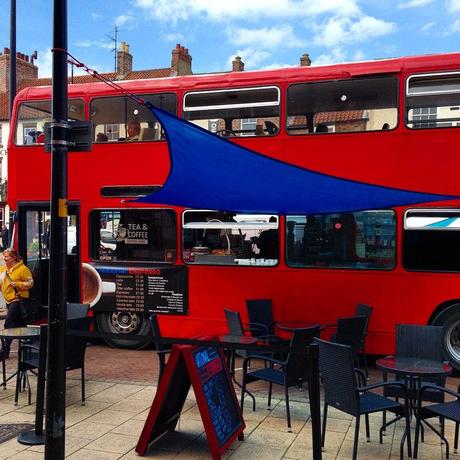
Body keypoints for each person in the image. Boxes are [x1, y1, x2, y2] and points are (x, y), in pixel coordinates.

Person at [0, 248, 34, 358]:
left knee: (8, 324)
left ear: (14, 257)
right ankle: (29, 349)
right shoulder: (3, 269)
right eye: (4, 256)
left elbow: (30, 283)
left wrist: (18, 284)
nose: (4, 258)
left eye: (7, 256)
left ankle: (4, 351)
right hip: (8, 300)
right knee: (20, 325)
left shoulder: (23, 269)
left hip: (17, 300)